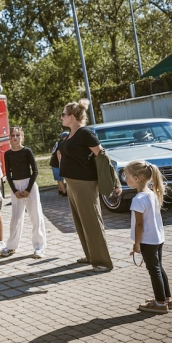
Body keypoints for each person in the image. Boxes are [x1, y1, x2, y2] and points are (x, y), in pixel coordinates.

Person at [58, 99, 121, 273]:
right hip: (72, 184)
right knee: (80, 222)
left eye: (63, 114)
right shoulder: (70, 134)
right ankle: (90, 256)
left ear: (72, 117)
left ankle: (103, 262)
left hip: (84, 184)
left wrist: (114, 182)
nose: (61, 117)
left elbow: (102, 157)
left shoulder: (85, 133)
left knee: (92, 222)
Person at [126, 160, 172, 314]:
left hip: (147, 241)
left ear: (136, 178)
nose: (125, 179)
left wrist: (136, 245)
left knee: (154, 271)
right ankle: (166, 299)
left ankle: (160, 304)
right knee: (159, 268)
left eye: (127, 176)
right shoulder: (152, 193)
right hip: (158, 238)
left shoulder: (138, 199)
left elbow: (139, 225)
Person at [3, 127, 46, 258]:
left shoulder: (27, 151)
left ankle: (39, 247)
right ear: (9, 138)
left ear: (22, 137)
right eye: (12, 135)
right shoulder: (7, 154)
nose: (15, 137)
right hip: (16, 186)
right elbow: (8, 174)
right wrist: (15, 191)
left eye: (17, 135)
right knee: (16, 218)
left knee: (36, 216)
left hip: (29, 185)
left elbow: (35, 171)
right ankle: (11, 246)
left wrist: (28, 189)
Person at [50, 131, 69, 196]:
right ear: (65, 137)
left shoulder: (58, 142)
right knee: (60, 178)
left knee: (59, 178)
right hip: (56, 163)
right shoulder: (62, 143)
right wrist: (61, 164)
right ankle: (64, 192)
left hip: (53, 162)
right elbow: (59, 154)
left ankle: (60, 190)